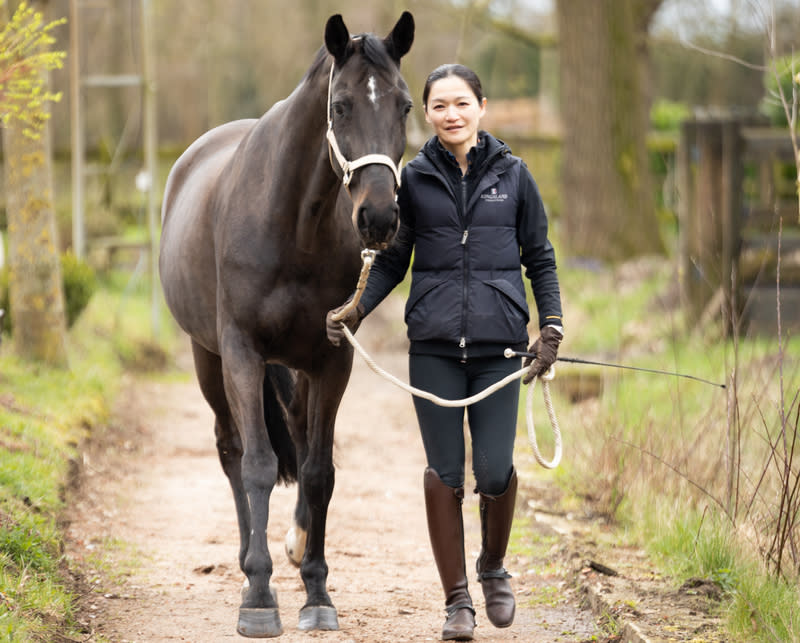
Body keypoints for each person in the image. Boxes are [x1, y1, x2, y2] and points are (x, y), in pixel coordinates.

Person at [326, 63, 563, 641]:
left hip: (499, 350)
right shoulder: (413, 179)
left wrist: (550, 326)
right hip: (433, 348)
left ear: (481, 106)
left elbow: (541, 256)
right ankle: (457, 601)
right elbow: (393, 260)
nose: (451, 115)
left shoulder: (516, 176)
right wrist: (357, 308)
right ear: (426, 114)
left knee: (496, 470)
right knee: (445, 474)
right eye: (439, 106)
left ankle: (493, 567)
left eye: (461, 103)